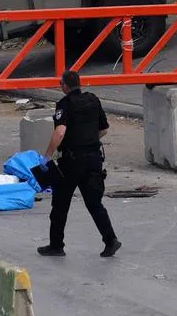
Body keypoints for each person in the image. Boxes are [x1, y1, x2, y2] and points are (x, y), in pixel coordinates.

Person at [39, 70, 121, 258]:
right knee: (94, 204)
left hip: (71, 162)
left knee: (60, 204)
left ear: (65, 86)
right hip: (93, 160)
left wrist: (47, 156)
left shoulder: (64, 105)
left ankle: (56, 245)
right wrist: (89, 141)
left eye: (61, 83)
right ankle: (111, 240)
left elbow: (60, 132)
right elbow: (104, 129)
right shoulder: (93, 100)